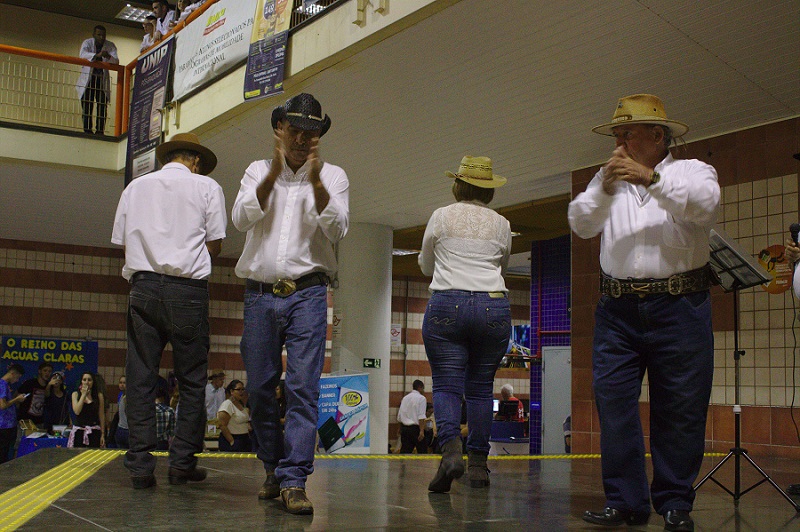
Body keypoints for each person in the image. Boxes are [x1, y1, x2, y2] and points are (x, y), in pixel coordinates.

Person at [569, 94, 719, 532]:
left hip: (680, 306)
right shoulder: (606, 177)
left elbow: (705, 206)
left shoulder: (692, 171)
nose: (618, 143)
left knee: (680, 408)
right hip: (616, 310)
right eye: (616, 134)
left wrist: (650, 179)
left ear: (657, 135)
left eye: (626, 133)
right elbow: (581, 222)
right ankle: (625, 502)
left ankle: (675, 503)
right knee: (613, 403)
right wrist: (608, 187)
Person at [232, 92, 349, 515]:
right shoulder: (255, 171)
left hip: (310, 294)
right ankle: (272, 469)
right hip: (260, 294)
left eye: (310, 132)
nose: (301, 138)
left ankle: (295, 479)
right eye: (294, 130)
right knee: (261, 387)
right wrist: (274, 173)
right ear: (279, 130)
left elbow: (336, 228)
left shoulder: (333, 175)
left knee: (302, 386)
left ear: (319, 137)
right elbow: (241, 218)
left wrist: (315, 179)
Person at [111, 131, 227, 489]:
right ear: (193, 160)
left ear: (168, 157)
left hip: (142, 289)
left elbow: (122, 242)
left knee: (141, 379)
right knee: (192, 383)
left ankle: (141, 469)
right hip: (187, 293)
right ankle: (181, 465)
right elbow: (216, 246)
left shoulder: (135, 188)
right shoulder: (207, 187)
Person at [419, 155, 512, 493]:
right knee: (480, 388)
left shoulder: (440, 216)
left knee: (446, 385)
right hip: (493, 306)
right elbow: (503, 262)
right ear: (489, 191)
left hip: (447, 303)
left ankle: (450, 453)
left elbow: (426, 264)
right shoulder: (501, 223)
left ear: (457, 185)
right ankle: (478, 466)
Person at [76, 25, 119, 135]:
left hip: (101, 80)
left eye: (103, 35)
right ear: (94, 35)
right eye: (99, 35)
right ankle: (87, 131)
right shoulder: (87, 43)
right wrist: (97, 55)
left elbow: (116, 61)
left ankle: (100, 131)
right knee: (87, 106)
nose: (101, 37)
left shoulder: (110, 46)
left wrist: (108, 56)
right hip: (88, 80)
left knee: (101, 106)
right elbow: (82, 55)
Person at [69, 372, 105, 448]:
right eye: (84, 380)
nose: (87, 382)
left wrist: (103, 434)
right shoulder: (75, 394)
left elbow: (101, 415)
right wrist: (83, 395)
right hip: (79, 431)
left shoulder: (99, 396)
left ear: (93, 382)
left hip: (94, 431)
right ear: (81, 381)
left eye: (89, 380)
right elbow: (77, 411)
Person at [217, 380, 252, 452]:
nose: (241, 392)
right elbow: (222, 425)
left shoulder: (241, 404)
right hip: (233, 439)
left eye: (243, 389)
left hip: (244, 439)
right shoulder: (227, 405)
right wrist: (232, 441)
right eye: (238, 389)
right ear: (232, 391)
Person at [0, 364, 25, 463]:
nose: (17, 380)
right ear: (12, 373)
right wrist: (16, 399)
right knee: (2, 453)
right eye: (18, 377)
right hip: (3, 426)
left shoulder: (6, 385)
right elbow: (2, 405)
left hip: (9, 425)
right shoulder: (2, 384)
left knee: (6, 453)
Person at [17, 361, 53, 426]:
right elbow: (17, 397)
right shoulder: (30, 383)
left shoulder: (50, 386)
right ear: (39, 371)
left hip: (39, 421)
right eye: (45, 371)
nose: (47, 373)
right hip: (25, 420)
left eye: (49, 371)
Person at [397, 380, 427, 454]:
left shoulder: (405, 398)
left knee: (404, 453)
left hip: (405, 429)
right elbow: (421, 416)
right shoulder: (421, 398)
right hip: (415, 429)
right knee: (422, 453)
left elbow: (400, 415)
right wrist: (422, 431)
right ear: (420, 388)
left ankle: (401, 466)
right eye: (423, 389)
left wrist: (400, 428)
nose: (423, 391)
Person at [155, 380, 176, 451]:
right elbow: (172, 431)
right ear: (163, 397)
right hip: (162, 443)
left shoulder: (147, 410)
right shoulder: (169, 410)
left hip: (148, 441)